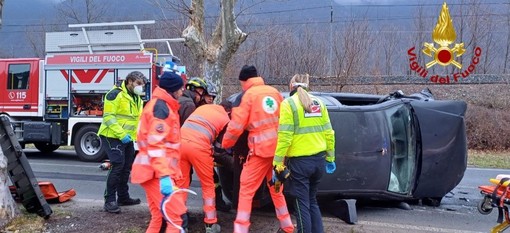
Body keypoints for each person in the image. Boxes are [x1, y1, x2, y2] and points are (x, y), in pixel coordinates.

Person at [222, 65, 294, 233]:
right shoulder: (275, 93)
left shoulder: (247, 96)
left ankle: (240, 230)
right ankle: (287, 227)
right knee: (276, 189)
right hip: (278, 153)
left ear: (244, 81)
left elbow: (235, 127)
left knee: (246, 190)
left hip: (260, 153)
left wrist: (225, 144)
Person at [272, 74, 336, 233]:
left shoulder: (288, 104)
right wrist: (330, 158)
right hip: (319, 161)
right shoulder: (320, 103)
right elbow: (329, 133)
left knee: (301, 204)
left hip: (300, 164)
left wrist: (277, 163)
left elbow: (285, 137)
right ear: (308, 85)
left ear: (291, 86)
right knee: (312, 201)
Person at [131, 71, 186, 233]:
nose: (182, 92)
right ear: (172, 90)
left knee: (158, 216)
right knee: (175, 218)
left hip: (150, 172)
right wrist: (164, 176)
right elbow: (157, 146)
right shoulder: (161, 109)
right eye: (180, 89)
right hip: (155, 174)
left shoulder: (160, 106)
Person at [176, 100, 232, 233]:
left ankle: (179, 222)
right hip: (199, 147)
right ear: (229, 111)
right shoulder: (225, 118)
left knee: (181, 184)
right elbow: (220, 147)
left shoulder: (204, 107)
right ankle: (210, 224)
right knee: (208, 185)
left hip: (180, 143)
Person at [98, 71, 146, 213]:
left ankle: (123, 197)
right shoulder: (114, 94)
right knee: (117, 166)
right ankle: (109, 201)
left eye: (142, 85)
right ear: (129, 81)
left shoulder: (137, 98)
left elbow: (137, 119)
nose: (140, 87)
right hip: (111, 135)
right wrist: (122, 134)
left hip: (127, 138)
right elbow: (108, 118)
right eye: (138, 84)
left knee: (126, 168)